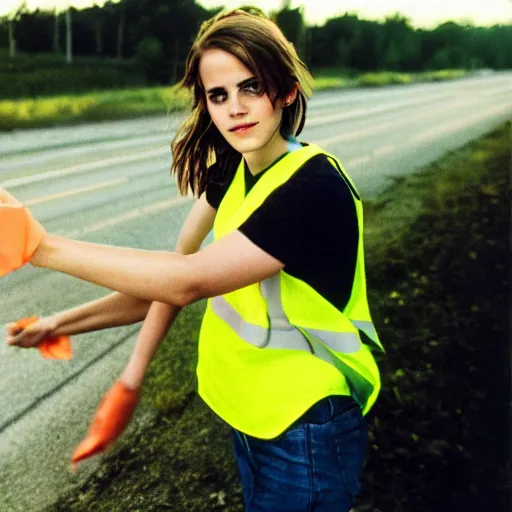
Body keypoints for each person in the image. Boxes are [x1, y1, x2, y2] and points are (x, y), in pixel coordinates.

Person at [2, 7, 384, 511]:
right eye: (218, 95)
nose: (236, 109)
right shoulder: (231, 173)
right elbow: (164, 283)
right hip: (248, 415)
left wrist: (41, 248)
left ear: (287, 90)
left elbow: (187, 281)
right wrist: (66, 327)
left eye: (252, 87)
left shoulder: (314, 189)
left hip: (307, 425)